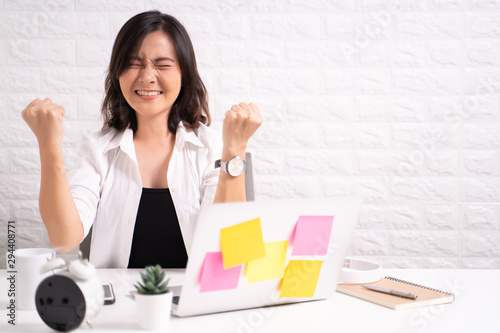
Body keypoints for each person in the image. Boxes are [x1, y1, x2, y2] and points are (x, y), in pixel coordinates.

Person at [21, 10, 262, 268]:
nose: (147, 76)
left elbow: (234, 251)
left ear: (184, 75)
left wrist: (234, 149)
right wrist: (49, 145)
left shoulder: (212, 147)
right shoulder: (98, 149)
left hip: (195, 303)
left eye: (162, 64)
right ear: (117, 73)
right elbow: (64, 239)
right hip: (118, 304)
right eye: (134, 63)